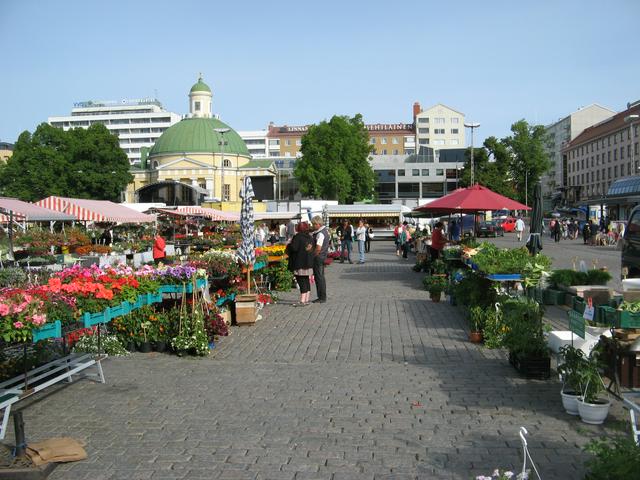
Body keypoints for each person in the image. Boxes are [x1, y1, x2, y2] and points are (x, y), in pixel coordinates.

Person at [286, 222, 315, 306]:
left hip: (300, 263)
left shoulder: (298, 237)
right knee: (306, 280)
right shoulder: (310, 237)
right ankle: (306, 299)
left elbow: (294, 248)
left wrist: (289, 245)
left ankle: (302, 300)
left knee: (301, 280)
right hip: (308, 262)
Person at [311, 216, 330, 303]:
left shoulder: (320, 234)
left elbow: (318, 248)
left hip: (318, 257)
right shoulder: (323, 232)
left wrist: (313, 255)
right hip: (322, 256)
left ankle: (322, 297)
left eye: (314, 224)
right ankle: (322, 296)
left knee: (319, 277)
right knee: (320, 277)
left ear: (318, 224)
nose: (313, 226)